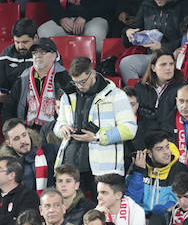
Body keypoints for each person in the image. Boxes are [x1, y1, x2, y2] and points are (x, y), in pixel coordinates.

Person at [54, 56, 137, 185]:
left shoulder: (116, 95)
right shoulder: (68, 95)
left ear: (92, 73)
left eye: (83, 81)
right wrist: (62, 128)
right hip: (71, 166)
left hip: (103, 169)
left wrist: (96, 137)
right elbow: (58, 125)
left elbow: (129, 129)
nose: (79, 86)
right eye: (75, 82)